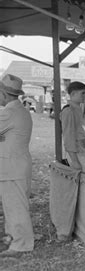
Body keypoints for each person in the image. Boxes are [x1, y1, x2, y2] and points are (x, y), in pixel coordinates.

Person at [0, 74, 35, 257]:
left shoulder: (9, 112)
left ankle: (21, 244)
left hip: (12, 166)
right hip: (16, 164)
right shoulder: (20, 111)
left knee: (16, 206)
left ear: (3, 93)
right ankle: (13, 238)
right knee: (12, 205)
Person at [61, 81, 85, 177]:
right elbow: (68, 137)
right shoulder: (68, 111)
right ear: (73, 94)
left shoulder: (77, 109)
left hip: (81, 149)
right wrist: (74, 160)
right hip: (76, 152)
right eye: (82, 93)